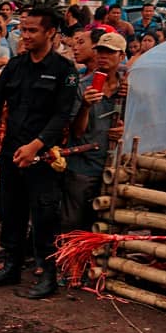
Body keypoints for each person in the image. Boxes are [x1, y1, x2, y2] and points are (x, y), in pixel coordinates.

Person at [0, 6, 78, 298]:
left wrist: (35, 146)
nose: (25, 35)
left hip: (43, 157)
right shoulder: (16, 66)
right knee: (10, 210)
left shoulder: (63, 71)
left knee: (44, 215)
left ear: (51, 32)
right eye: (24, 29)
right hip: (11, 154)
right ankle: (11, 265)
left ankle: (47, 274)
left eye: (32, 30)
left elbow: (62, 116)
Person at [62, 31, 125, 236]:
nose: (103, 56)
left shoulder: (128, 88)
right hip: (83, 165)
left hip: (115, 166)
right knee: (73, 221)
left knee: (105, 222)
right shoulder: (82, 86)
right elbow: (77, 132)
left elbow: (141, 123)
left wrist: (126, 129)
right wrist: (86, 106)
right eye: (100, 52)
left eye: (110, 53)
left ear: (122, 56)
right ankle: (69, 265)